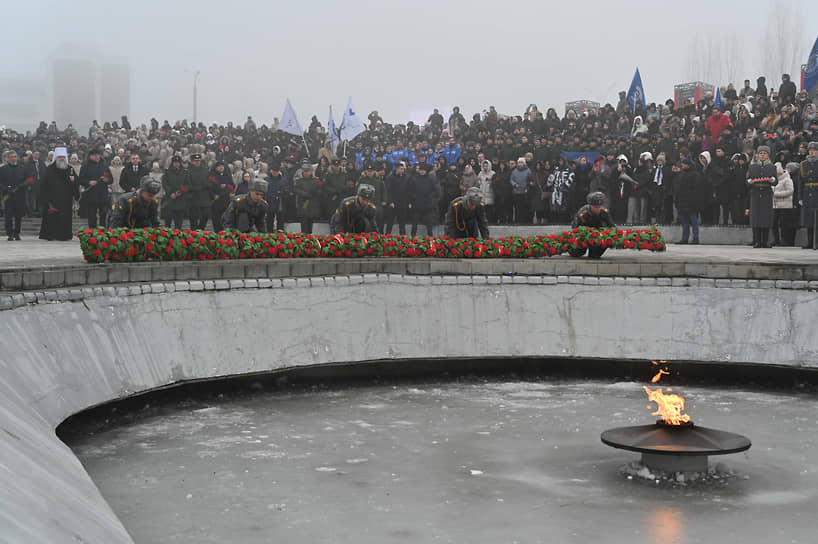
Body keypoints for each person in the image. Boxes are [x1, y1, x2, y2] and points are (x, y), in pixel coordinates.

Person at [38, 147, 79, 241]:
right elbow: (44, 184)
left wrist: (74, 181)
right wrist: (45, 198)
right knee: (51, 218)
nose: (61, 159)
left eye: (63, 157)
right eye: (60, 157)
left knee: (65, 217)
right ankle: (51, 235)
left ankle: (64, 235)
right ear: (56, 157)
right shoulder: (49, 169)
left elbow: (76, 182)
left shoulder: (70, 169)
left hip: (66, 199)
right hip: (52, 199)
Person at [747, 145, 778, 248]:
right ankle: (757, 241)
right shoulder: (752, 167)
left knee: (765, 218)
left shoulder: (772, 167)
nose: (762, 155)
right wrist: (749, 182)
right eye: (761, 153)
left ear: (768, 155)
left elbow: (775, 181)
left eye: (764, 153)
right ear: (757, 155)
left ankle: (765, 241)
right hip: (755, 193)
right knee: (756, 218)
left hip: (766, 193)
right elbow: (747, 179)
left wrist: (773, 180)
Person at [569, 192, 616, 258]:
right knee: (578, 253)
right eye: (595, 207)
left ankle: (594, 252)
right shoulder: (583, 213)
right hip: (584, 233)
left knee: (595, 255)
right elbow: (575, 227)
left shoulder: (604, 212)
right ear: (590, 205)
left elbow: (612, 226)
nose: (598, 209)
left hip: (597, 234)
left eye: (599, 207)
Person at [78, 148, 112, 229]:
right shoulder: (85, 166)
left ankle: (102, 231)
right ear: (90, 156)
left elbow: (111, 179)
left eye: (98, 155)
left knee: (103, 214)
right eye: (94, 155)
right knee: (91, 215)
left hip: (103, 194)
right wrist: (89, 182)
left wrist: (107, 180)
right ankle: (92, 231)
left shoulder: (104, 166)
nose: (97, 157)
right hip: (91, 194)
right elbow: (81, 180)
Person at [673, 157, 705, 244]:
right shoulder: (682, 174)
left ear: (688, 165)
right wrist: (677, 200)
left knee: (694, 221)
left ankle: (695, 238)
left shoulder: (695, 175)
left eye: (684, 164)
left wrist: (694, 201)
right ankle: (685, 238)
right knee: (684, 222)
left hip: (691, 203)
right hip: (683, 202)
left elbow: (697, 190)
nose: (682, 165)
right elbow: (678, 188)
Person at [0, 150, 29, 240]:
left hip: (19, 195)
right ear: (8, 158)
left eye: (15, 156)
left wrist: (24, 184)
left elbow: (29, 179)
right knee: (8, 216)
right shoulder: (3, 169)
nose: (13, 158)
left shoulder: (23, 168)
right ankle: (10, 234)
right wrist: (6, 189)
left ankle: (17, 233)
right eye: (11, 157)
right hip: (8, 196)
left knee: (18, 216)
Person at [410, 162, 439, 237]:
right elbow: (411, 190)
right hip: (417, 204)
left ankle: (431, 238)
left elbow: (435, 190)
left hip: (427, 204)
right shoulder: (415, 178)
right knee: (414, 223)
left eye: (424, 170)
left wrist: (430, 196)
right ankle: (412, 237)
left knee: (429, 223)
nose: (422, 171)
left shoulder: (430, 179)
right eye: (421, 170)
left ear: (426, 171)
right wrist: (414, 197)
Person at [799, 141, 818, 249]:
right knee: (809, 220)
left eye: (814, 150)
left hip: (817, 193)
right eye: (810, 150)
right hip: (807, 194)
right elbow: (800, 182)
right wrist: (800, 197)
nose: (812, 152)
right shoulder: (803, 164)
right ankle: (810, 242)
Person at [293, 162, 322, 234]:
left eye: (308, 171)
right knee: (304, 227)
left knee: (310, 227)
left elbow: (319, 192)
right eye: (305, 171)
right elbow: (296, 190)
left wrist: (315, 191)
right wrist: (305, 194)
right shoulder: (299, 181)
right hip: (303, 206)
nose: (306, 173)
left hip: (312, 206)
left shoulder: (315, 181)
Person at [185, 153, 211, 230]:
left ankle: (200, 229)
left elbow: (210, 180)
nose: (197, 162)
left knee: (206, 215)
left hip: (204, 196)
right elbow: (185, 185)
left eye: (198, 161)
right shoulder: (188, 171)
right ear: (192, 161)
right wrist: (195, 188)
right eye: (195, 161)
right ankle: (194, 233)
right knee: (193, 218)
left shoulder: (205, 170)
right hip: (193, 196)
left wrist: (208, 185)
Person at [162, 155, 187, 229]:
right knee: (168, 220)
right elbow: (165, 184)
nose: (177, 164)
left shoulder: (185, 172)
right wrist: (171, 193)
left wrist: (180, 192)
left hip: (180, 199)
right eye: (175, 162)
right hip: (170, 199)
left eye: (178, 162)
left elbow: (187, 184)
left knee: (179, 221)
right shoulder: (167, 172)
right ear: (172, 163)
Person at [208, 160, 234, 232]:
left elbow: (232, 186)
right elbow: (209, 187)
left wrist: (226, 186)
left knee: (225, 219)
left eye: (222, 166)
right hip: (216, 201)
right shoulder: (212, 176)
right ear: (216, 168)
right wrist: (213, 195)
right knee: (216, 219)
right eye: (219, 166)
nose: (221, 167)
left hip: (225, 201)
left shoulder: (228, 175)